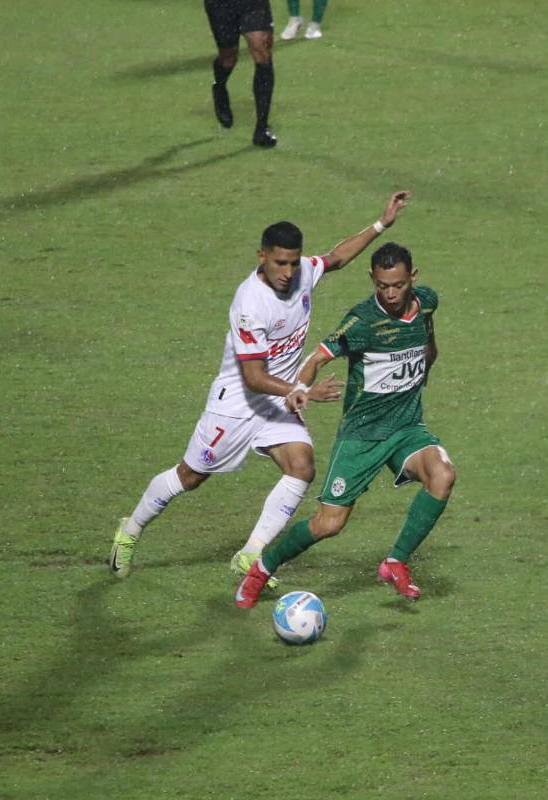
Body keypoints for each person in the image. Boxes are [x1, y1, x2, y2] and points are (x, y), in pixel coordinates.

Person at [110, 191, 412, 587]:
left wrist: (380, 224)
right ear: (262, 257)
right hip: (237, 403)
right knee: (190, 476)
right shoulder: (250, 303)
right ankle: (129, 531)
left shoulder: (302, 270)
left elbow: (335, 257)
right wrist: (304, 390)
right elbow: (253, 377)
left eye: (292, 262)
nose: (288, 271)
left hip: (278, 402)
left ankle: (250, 555)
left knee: (301, 467)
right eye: (279, 263)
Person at [235, 241, 455, 608]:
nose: (390, 293)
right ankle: (262, 568)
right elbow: (317, 359)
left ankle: (395, 562)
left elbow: (428, 341)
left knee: (443, 475)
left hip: (406, 427)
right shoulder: (362, 322)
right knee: (329, 524)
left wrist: (426, 366)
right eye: (382, 286)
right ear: (372, 279)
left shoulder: (427, 301)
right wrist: (300, 388)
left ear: (412, 278)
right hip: (362, 435)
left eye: (398, 285)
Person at [204, 0, 279, 147]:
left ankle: (261, 129)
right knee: (228, 58)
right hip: (221, 5)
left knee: (261, 51)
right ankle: (219, 87)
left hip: (254, 4)